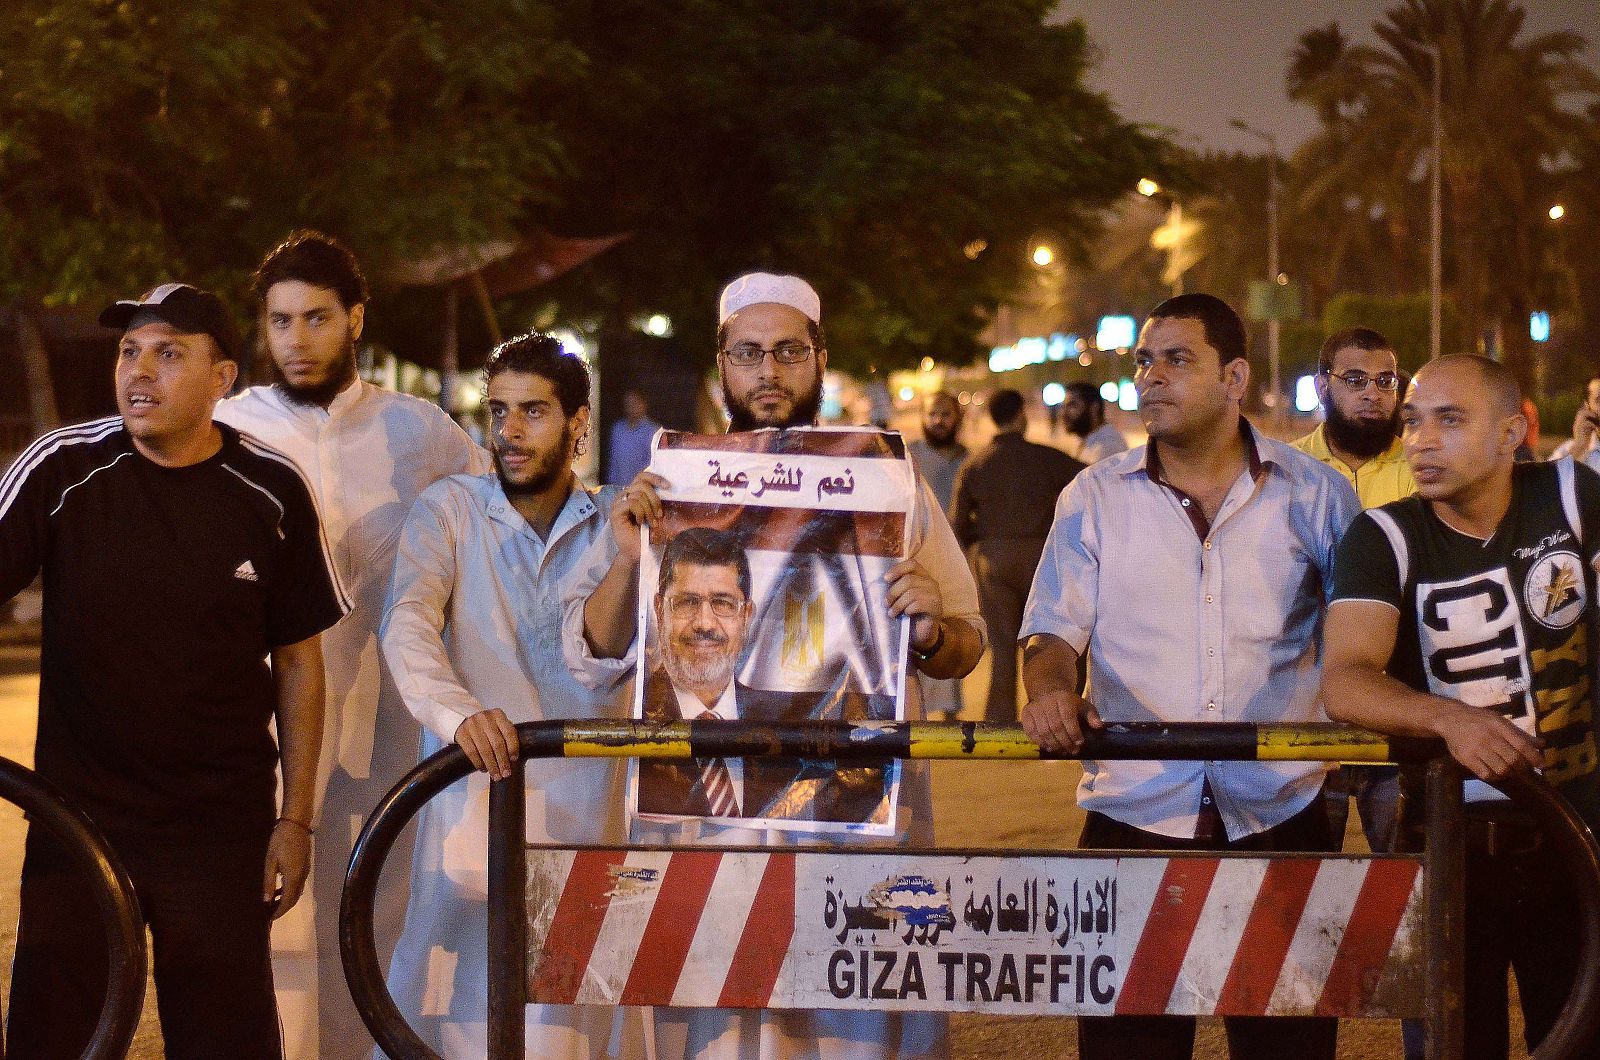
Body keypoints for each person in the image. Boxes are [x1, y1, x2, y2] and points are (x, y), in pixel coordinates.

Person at [562, 270, 983, 1060]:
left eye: (788, 351)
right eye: (748, 353)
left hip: (851, 822)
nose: (768, 371)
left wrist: (930, 630)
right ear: (721, 365)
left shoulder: (887, 487)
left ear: (820, 359)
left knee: (853, 1032)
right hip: (702, 825)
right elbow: (597, 655)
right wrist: (627, 558)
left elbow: (966, 641)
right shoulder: (666, 490)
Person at [0, 283, 346, 1058]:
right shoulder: (62, 467)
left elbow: (299, 660)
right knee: (56, 1039)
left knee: (225, 1041)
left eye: (168, 353)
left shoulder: (272, 490)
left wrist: (295, 820)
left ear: (222, 379)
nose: (139, 371)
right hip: (75, 821)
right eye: (129, 351)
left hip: (218, 830)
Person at [1019, 293, 1358, 1060]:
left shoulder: (1319, 495)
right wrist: (1050, 690)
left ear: (1235, 377)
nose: (1152, 377)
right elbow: (1050, 630)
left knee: (1286, 1052)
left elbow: (1360, 637)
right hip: (1133, 818)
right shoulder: (1093, 496)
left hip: (1282, 818)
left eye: (1177, 359)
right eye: (1144, 361)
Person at [213, 230, 489, 1059]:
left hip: (384, 729)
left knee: (369, 921)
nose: (297, 340)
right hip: (252, 733)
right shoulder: (226, 429)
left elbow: (495, 533)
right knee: (254, 930)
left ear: (356, 319)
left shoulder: (423, 434)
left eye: (317, 318)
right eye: (281, 321)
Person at [1322, 355, 1600, 1060]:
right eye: (1413, 421)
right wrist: (1451, 719)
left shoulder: (1571, 495)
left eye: (1449, 420)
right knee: (1457, 1045)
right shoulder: (1384, 535)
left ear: (1511, 432)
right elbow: (1345, 681)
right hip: (1450, 852)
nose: (1420, 440)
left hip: (1579, 844)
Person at [381, 333, 645, 1057]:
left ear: (578, 423)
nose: (511, 431)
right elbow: (407, 624)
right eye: (499, 411)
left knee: (574, 1032)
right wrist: (459, 714)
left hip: (590, 821)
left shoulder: (619, 522)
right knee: (446, 1018)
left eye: (533, 411)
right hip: (468, 808)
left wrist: (632, 555)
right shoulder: (449, 510)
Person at [1291, 327, 1416, 855]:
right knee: (1305, 878)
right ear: (1323, 386)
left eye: (1385, 381)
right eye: (1356, 380)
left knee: (1412, 871)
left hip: (1402, 708)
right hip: (1307, 718)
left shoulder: (1424, 468)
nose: (1373, 394)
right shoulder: (1286, 471)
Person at [950, 388, 1083, 722]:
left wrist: (982, 544)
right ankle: (1047, 720)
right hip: (1040, 559)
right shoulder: (1047, 458)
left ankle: (1000, 724)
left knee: (1003, 649)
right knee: (1042, 644)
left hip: (993, 563)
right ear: (1021, 416)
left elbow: (958, 524)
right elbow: (1089, 482)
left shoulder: (975, 464)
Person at [908, 391, 969, 720]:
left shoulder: (968, 460)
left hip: (953, 564)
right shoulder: (909, 457)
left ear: (958, 418)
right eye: (932, 414)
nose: (939, 421)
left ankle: (950, 718)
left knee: (951, 636)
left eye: (945, 414)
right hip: (914, 562)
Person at [1063, 381, 1128, 464]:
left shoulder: (1107, 447)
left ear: (1094, 408)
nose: (1064, 413)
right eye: (1063, 406)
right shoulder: (1087, 441)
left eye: (1072, 405)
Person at [606, 388, 661, 485]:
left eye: (634, 403)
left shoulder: (654, 432)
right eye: (627, 404)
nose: (630, 407)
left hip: (642, 488)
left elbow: (655, 464)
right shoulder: (618, 429)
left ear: (643, 404)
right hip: (618, 487)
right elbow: (613, 461)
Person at [1551, 372, 1600, 465]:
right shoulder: (1567, 452)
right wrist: (1579, 448)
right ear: (1587, 406)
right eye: (1599, 400)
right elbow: (1551, 475)